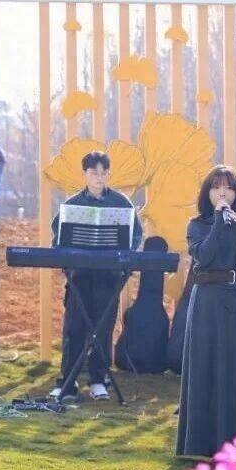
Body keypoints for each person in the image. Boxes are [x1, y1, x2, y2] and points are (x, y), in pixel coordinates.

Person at [176, 165, 236, 459]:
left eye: (228, 187)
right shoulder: (196, 225)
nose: (222, 193)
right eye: (216, 187)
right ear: (208, 193)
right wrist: (218, 221)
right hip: (206, 301)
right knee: (204, 367)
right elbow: (204, 256)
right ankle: (200, 446)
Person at [49, 151, 143, 401]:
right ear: (85, 174)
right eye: (93, 172)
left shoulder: (121, 203)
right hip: (79, 276)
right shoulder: (72, 204)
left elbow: (136, 234)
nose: (99, 177)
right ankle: (67, 381)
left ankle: (98, 379)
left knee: (103, 328)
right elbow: (58, 236)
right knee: (74, 328)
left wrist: (125, 257)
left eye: (103, 173)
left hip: (108, 277)